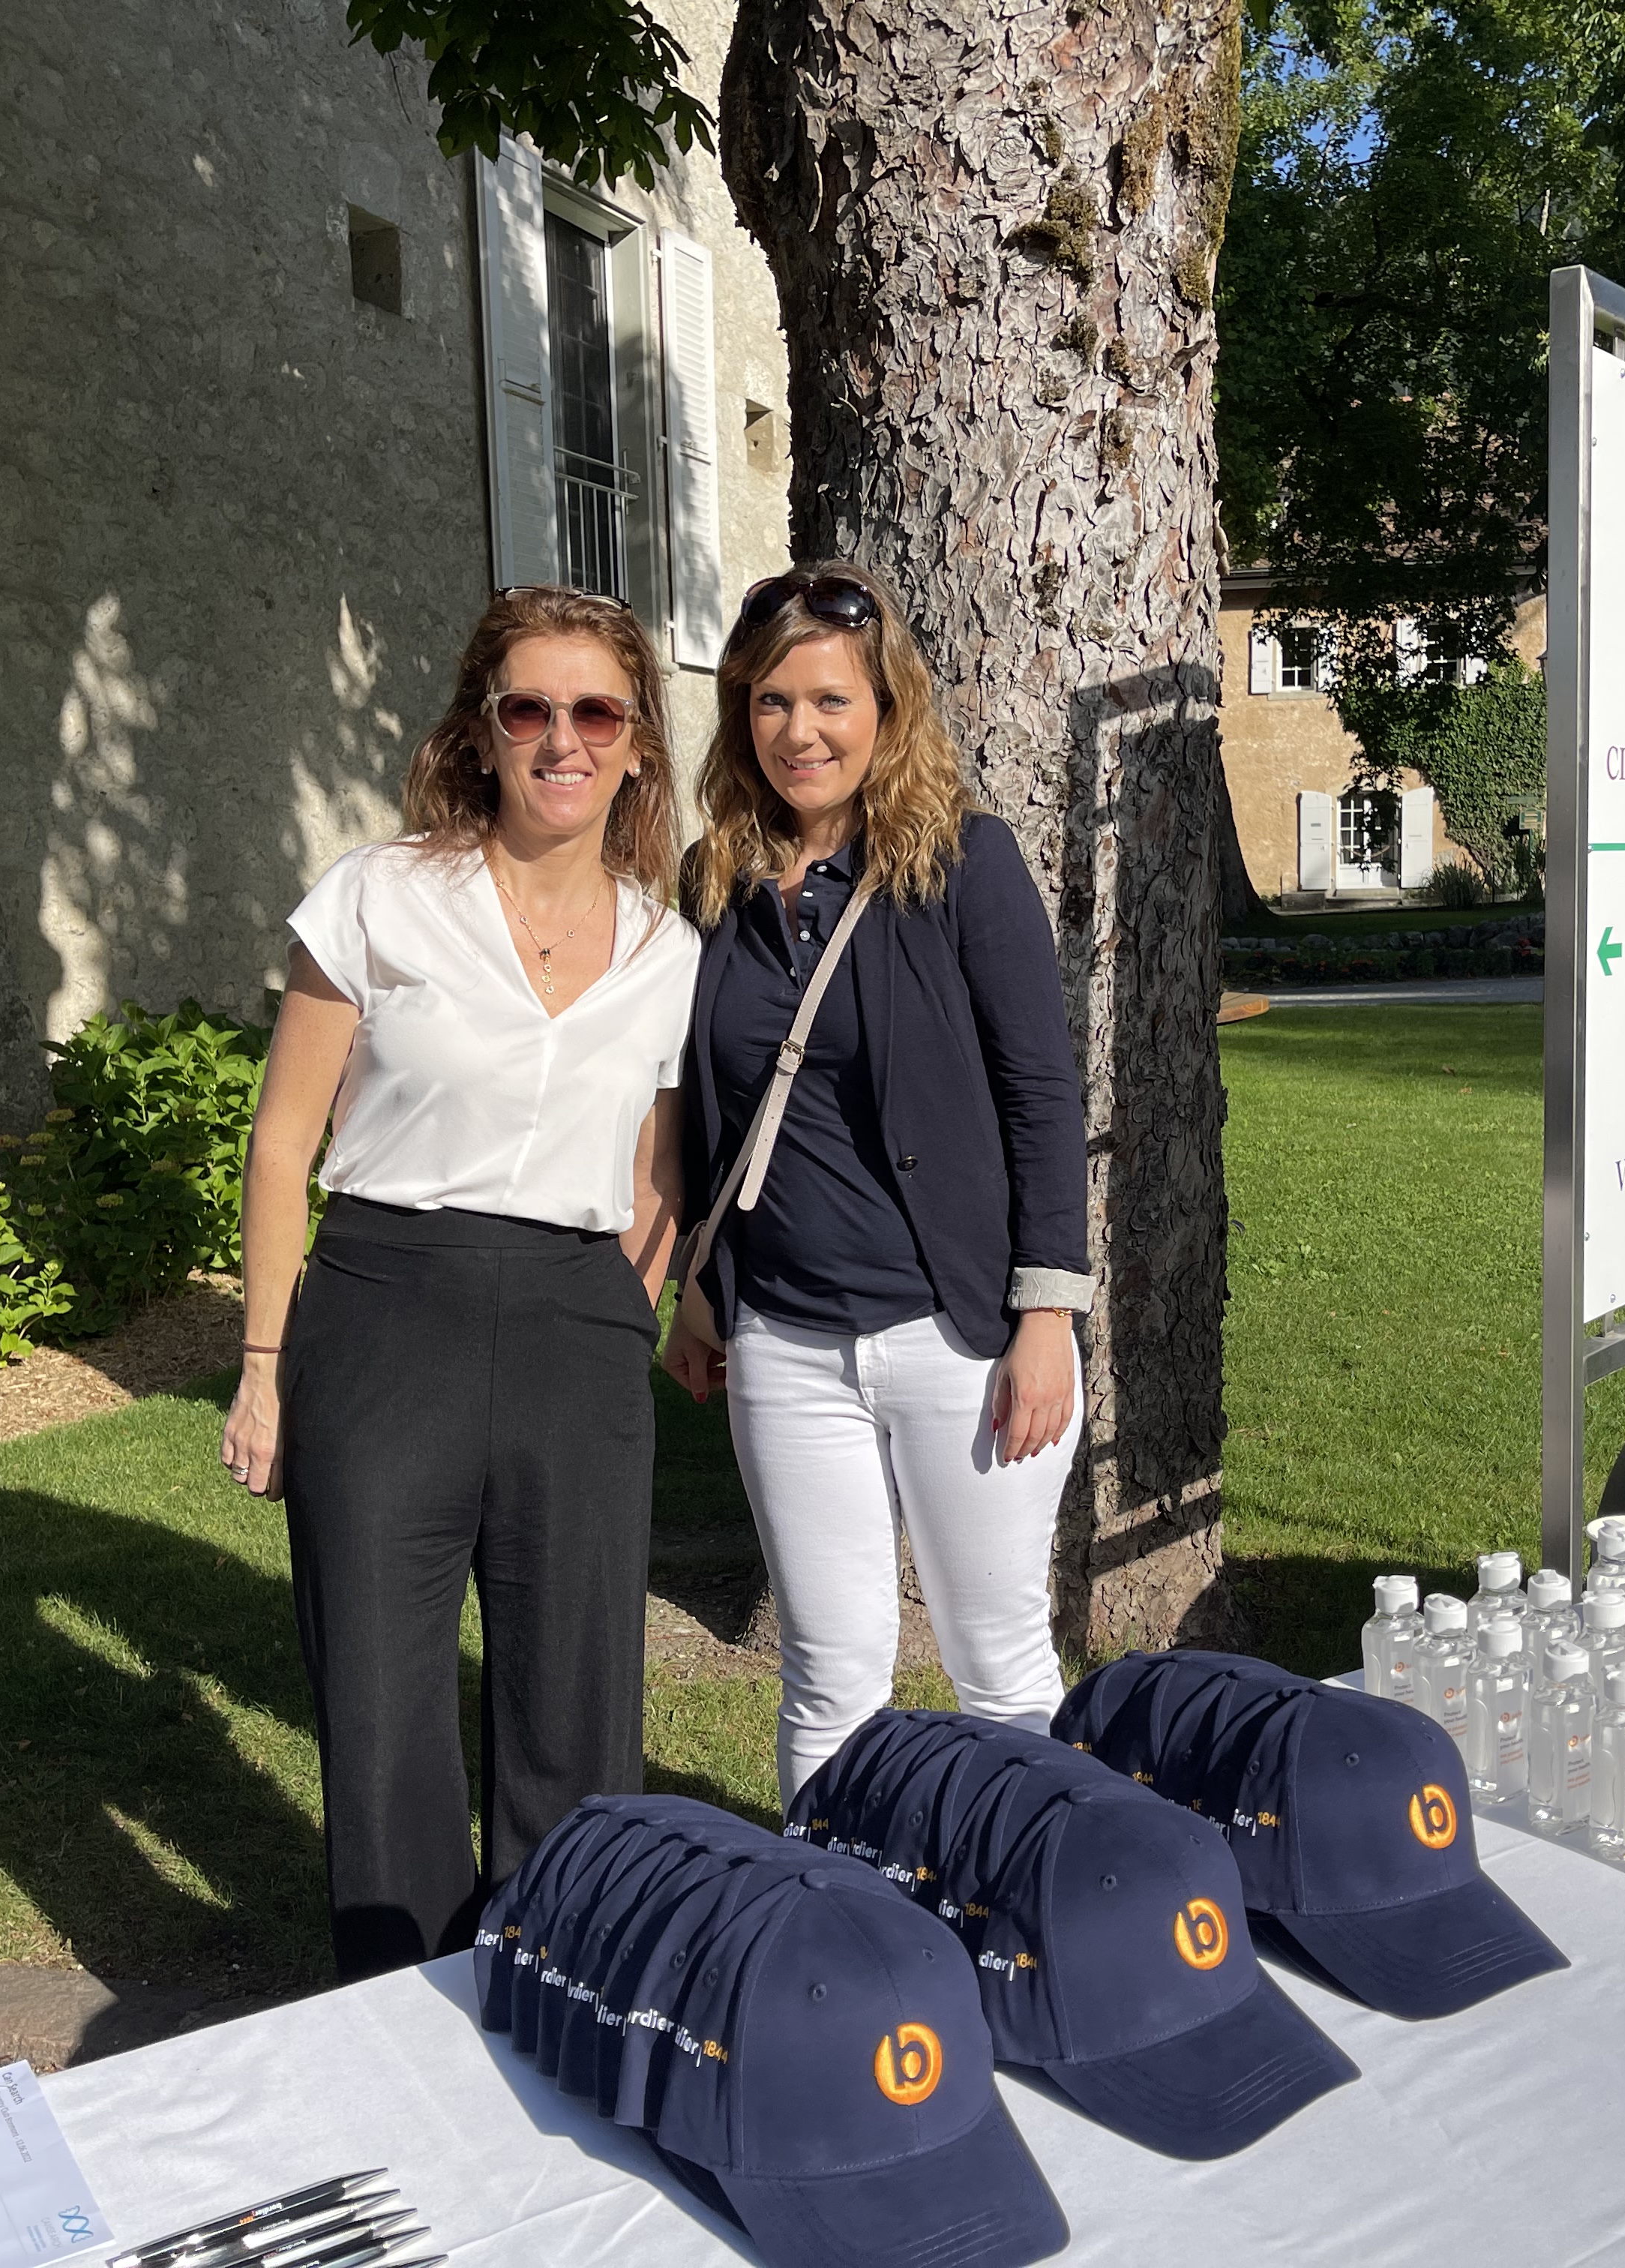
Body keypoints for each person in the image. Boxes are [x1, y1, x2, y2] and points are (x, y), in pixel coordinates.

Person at [222, 584, 697, 1980]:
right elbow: (283, 1140)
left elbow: (661, 1170)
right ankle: (403, 1994)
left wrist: (622, 1314)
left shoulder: (669, 952)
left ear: (635, 745)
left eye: (595, 711)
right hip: (384, 1313)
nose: (563, 738)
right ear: (481, 732)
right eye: (529, 708)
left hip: (576, 1327)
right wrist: (263, 1367)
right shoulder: (380, 897)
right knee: (380, 1697)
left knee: (575, 1700)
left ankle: (565, 1983)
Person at [663, 562, 1091, 1802]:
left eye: (830, 701)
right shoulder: (714, 880)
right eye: (771, 702)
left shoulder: (962, 863)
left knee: (997, 1664)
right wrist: (703, 1285)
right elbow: (707, 1105)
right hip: (786, 1345)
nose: (800, 731)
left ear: (886, 709)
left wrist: (1047, 1315)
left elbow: (1041, 1095)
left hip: (958, 1338)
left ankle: (1026, 1888)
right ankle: (828, 1911)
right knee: (828, 1672)